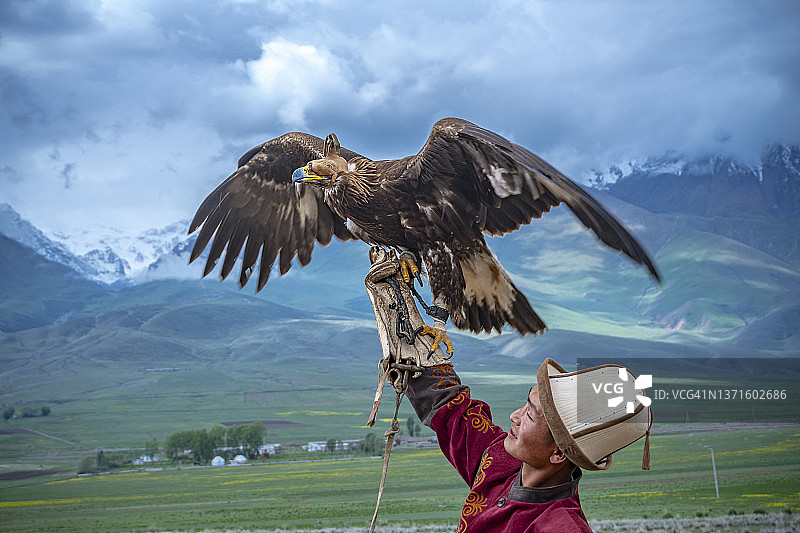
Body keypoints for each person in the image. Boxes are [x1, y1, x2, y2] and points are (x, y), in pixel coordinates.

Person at [365, 248, 652, 532]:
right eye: (526, 404)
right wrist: (407, 335)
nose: (514, 416)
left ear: (558, 455)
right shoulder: (500, 457)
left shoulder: (560, 527)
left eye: (530, 415)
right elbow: (450, 408)